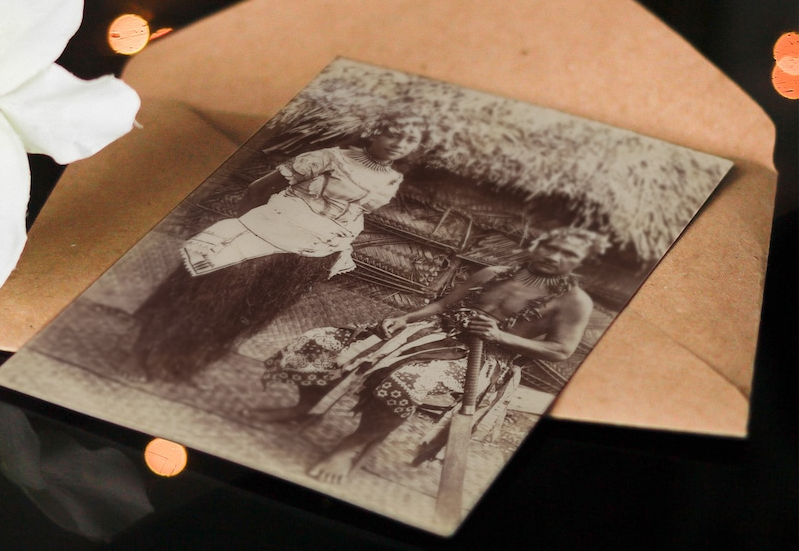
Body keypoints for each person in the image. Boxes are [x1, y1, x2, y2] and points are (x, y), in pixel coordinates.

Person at [251, 226, 608, 485]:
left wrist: (499, 335)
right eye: (551, 247)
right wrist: (404, 318)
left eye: (569, 255)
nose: (555, 257)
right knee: (323, 342)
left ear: (582, 264)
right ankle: (303, 406)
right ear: (537, 244)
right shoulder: (493, 273)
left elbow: (560, 351)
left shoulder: (575, 301)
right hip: (432, 332)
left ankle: (352, 444)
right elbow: (441, 305)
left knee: (404, 380)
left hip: (484, 360)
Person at [126, 112, 428, 381]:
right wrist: (249, 228)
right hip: (266, 236)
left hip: (313, 253)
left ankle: (187, 363)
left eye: (409, 139)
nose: (399, 143)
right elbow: (259, 188)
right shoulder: (328, 158)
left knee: (250, 311)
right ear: (374, 132)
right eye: (393, 133)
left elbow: (356, 214)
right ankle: (151, 353)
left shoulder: (392, 179)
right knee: (212, 299)